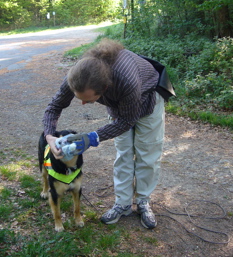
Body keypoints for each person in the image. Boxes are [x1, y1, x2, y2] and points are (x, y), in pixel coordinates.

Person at [43, 38, 165, 229]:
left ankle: (143, 202)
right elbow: (53, 107)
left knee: (147, 155)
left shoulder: (126, 80)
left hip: (148, 102)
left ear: (105, 89)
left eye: (88, 101)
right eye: (80, 98)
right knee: (124, 154)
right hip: (119, 106)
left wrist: (91, 138)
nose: (83, 104)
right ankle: (123, 204)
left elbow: (127, 121)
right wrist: (50, 136)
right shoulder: (79, 76)